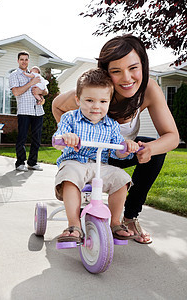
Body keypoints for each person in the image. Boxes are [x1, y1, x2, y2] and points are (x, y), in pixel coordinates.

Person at [52, 34, 179, 244]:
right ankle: (74, 224)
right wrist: (71, 136)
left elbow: (172, 136)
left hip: (116, 150)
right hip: (85, 152)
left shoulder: (148, 90)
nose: (127, 78)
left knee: (155, 151)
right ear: (105, 72)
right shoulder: (92, 92)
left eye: (133, 68)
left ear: (143, 66)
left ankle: (127, 219)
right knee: (74, 170)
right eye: (116, 71)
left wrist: (148, 149)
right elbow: (57, 105)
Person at [53, 68, 140, 243]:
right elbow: (57, 140)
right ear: (78, 100)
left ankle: (115, 222)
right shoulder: (70, 118)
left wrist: (127, 147)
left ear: (109, 102)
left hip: (100, 166)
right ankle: (74, 225)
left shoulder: (112, 125)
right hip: (74, 162)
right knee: (69, 176)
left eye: (102, 101)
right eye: (90, 100)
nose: (96, 106)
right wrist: (66, 138)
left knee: (121, 178)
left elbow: (119, 151)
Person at [9, 51, 48, 172]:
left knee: (36, 138)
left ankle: (32, 162)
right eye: (22, 59)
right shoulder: (14, 75)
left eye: (26, 59)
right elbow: (16, 92)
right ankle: (20, 163)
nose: (24, 62)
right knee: (22, 138)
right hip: (25, 110)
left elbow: (45, 91)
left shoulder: (34, 74)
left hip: (38, 110)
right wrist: (31, 83)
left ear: (28, 61)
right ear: (18, 61)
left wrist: (40, 93)